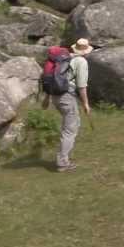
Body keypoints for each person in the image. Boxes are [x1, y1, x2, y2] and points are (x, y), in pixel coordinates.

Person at [43, 38, 93, 172]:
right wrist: (86, 104)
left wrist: (46, 98)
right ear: (86, 51)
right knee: (70, 129)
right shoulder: (81, 62)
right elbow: (82, 86)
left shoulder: (64, 58)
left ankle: (63, 158)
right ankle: (63, 162)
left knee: (71, 126)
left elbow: (54, 78)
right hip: (66, 98)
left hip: (55, 96)